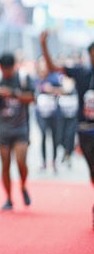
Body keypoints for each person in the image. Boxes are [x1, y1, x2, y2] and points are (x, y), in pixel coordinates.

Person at [40, 31, 94, 196]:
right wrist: (43, 45)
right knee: (92, 169)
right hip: (85, 130)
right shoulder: (81, 73)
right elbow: (53, 68)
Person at [0, 52, 35, 211]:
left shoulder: (23, 78)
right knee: (5, 163)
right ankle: (8, 197)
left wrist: (12, 93)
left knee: (21, 161)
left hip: (21, 127)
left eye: (9, 68)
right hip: (3, 128)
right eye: (4, 69)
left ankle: (23, 185)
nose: (7, 72)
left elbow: (32, 97)